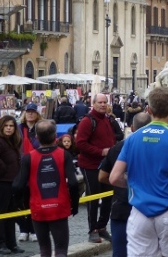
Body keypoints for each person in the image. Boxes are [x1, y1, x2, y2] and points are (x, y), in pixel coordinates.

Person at [109, 87, 168, 257]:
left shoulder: (132, 138)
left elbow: (114, 177)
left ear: (148, 110)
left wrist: (133, 184)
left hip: (139, 212)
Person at [13, 120, 79, 257]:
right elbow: (73, 183)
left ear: (37, 137)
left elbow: (18, 185)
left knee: (44, 249)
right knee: (61, 249)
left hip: (38, 207)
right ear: (55, 136)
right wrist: (75, 203)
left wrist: (20, 204)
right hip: (59, 206)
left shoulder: (28, 157)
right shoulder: (64, 155)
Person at [99, 112, 152, 257]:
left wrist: (123, 183)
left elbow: (102, 176)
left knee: (120, 252)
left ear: (132, 128)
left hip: (122, 206)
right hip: (149, 207)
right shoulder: (159, 147)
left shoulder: (118, 148)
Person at [76, 93, 115, 243]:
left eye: (105, 102)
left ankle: (102, 226)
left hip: (107, 165)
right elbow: (80, 143)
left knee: (108, 197)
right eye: (100, 102)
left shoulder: (107, 119)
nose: (103, 105)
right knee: (93, 197)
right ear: (93, 103)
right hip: (91, 165)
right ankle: (92, 229)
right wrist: (100, 152)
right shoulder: (87, 121)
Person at [0, 115, 24, 255]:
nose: (9, 128)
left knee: (11, 215)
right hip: (2, 183)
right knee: (0, 214)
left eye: (11, 126)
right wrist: (3, 169)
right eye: (6, 126)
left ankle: (11, 243)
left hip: (12, 182)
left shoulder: (12, 141)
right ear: (1, 127)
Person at [17, 103, 42, 242]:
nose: (30, 114)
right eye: (28, 112)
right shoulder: (19, 128)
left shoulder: (41, 128)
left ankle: (34, 229)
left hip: (37, 167)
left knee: (35, 200)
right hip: (21, 167)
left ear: (37, 114)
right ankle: (23, 229)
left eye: (33, 112)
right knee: (21, 200)